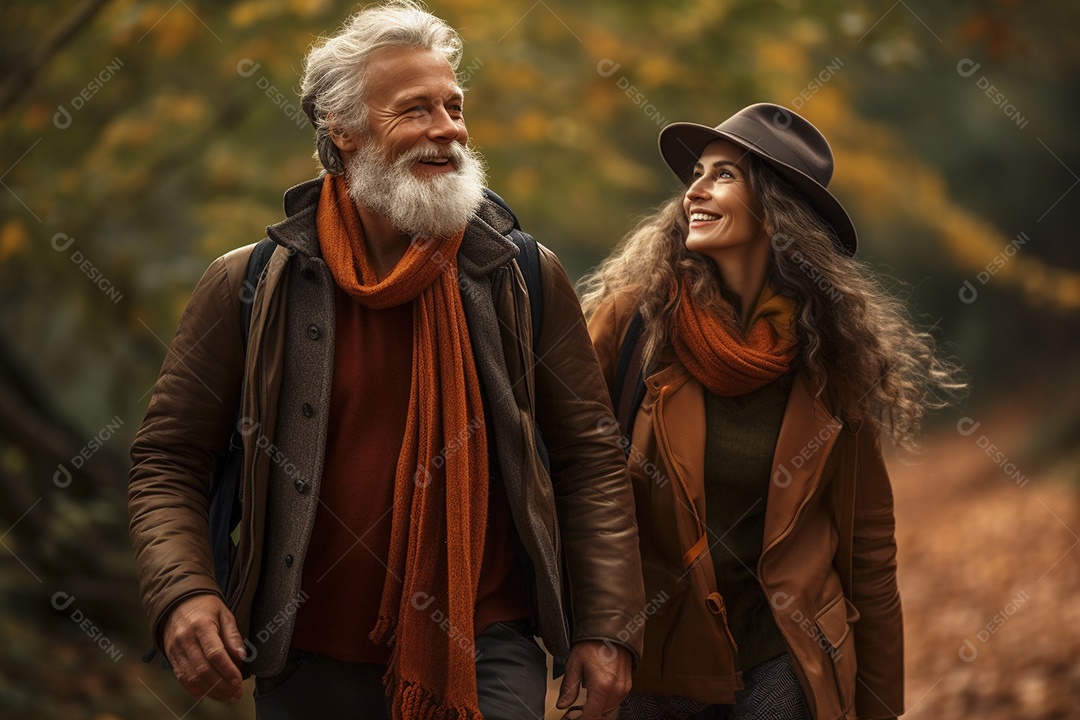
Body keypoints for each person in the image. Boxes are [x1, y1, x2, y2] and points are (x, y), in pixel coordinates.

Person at [127, 2, 645, 718]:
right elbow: (168, 459)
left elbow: (590, 459)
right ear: (343, 134)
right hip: (306, 660)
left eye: (454, 107)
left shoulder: (522, 275)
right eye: (416, 110)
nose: (448, 130)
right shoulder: (250, 283)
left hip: (485, 654)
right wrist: (183, 591)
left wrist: (608, 627)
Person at [580, 103, 963, 719]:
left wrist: (879, 708)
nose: (694, 191)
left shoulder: (830, 352)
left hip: (782, 656)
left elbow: (867, 551)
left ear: (776, 212)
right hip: (652, 655)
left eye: (723, 175)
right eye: (696, 174)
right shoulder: (634, 324)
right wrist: (591, 630)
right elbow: (573, 477)